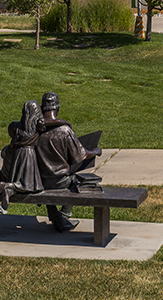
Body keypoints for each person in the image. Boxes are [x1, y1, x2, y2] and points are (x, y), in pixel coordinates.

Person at [34, 92, 101, 233]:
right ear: (57, 108)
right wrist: (95, 151)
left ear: (42, 108)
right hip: (61, 181)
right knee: (80, 181)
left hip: (39, 180)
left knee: (48, 180)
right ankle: (63, 215)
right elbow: (80, 156)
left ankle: (56, 216)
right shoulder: (64, 131)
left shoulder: (34, 132)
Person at [0, 100, 43, 211]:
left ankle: (8, 189)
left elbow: (11, 128)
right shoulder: (37, 126)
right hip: (29, 155)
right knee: (28, 185)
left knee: (23, 181)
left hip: (18, 154)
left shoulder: (17, 127)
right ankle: (8, 186)